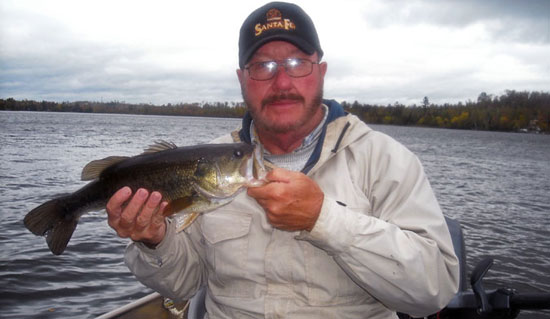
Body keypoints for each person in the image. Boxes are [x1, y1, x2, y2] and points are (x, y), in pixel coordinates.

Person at [106, 2, 460, 318]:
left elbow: (434, 290)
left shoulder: (385, 160)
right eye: (263, 66)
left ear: (321, 71)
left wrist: (325, 220)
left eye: (296, 64)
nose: (281, 81)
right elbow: (182, 284)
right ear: (242, 79)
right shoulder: (210, 163)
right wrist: (155, 240)